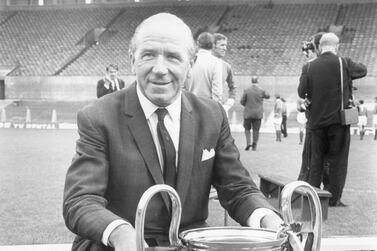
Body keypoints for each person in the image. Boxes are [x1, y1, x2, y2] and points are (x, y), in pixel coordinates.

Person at [63, 13, 283, 251]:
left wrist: (267, 219)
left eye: (173, 57)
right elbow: (81, 200)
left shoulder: (212, 115)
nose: (160, 69)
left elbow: (237, 188)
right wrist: (122, 232)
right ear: (131, 60)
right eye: (148, 55)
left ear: (191, 64)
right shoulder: (97, 117)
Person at [298, 32, 367, 207]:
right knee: (337, 161)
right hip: (338, 122)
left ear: (319, 47)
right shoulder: (344, 63)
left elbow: (301, 92)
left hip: (316, 122)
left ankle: (312, 196)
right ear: (337, 46)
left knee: (316, 161)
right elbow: (363, 70)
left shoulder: (309, 67)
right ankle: (333, 198)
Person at [185, 32, 223, 103]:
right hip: (208, 105)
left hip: (190, 104)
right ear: (213, 45)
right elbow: (217, 91)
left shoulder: (189, 60)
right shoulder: (216, 62)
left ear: (197, 44)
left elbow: (184, 86)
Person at [240, 76, 270, 151]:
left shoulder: (246, 90)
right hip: (258, 114)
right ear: (258, 81)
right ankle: (254, 144)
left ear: (251, 81)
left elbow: (242, 101)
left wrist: (247, 105)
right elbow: (268, 96)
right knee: (256, 130)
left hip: (248, 113)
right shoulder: (261, 90)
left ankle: (248, 143)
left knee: (247, 129)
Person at [212, 33, 236, 114]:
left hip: (218, 110)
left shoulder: (226, 66)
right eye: (222, 45)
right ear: (213, 46)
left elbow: (233, 87)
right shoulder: (200, 63)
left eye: (225, 45)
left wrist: (229, 103)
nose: (225, 48)